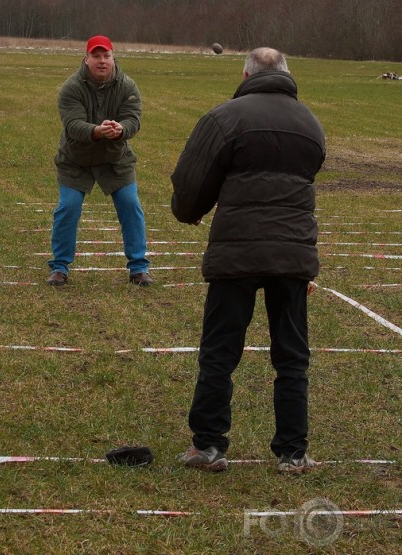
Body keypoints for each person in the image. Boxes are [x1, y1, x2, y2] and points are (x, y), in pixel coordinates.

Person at [171, 47, 325, 473]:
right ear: (288, 74)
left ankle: (208, 445)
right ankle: (293, 452)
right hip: (292, 252)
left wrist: (188, 211)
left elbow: (191, 180)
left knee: (220, 351)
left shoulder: (225, 117)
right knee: (292, 356)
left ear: (245, 74)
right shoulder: (310, 124)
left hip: (236, 251)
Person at [47, 35, 152, 287]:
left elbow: (133, 119)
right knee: (68, 207)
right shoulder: (71, 88)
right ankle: (60, 267)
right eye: (96, 56)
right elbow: (73, 126)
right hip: (76, 159)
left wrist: (121, 129)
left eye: (106, 56)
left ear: (113, 59)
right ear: (86, 60)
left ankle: (139, 268)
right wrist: (97, 131)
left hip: (115, 158)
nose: (102, 61)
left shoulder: (127, 86)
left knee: (130, 205)